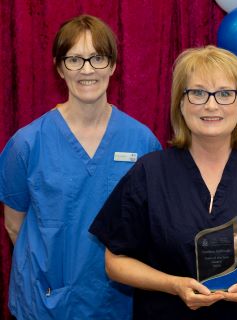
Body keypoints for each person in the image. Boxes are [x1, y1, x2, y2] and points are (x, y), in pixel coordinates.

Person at [89, 45, 237, 320]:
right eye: (198, 93)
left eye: (225, 94)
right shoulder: (149, 173)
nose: (211, 105)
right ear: (180, 103)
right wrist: (173, 285)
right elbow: (114, 262)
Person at [0, 15, 161, 319]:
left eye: (97, 58)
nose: (87, 70)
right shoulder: (26, 144)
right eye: (75, 59)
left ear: (113, 65)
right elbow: (14, 225)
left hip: (115, 302)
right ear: (60, 68)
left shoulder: (143, 142)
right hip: (44, 303)